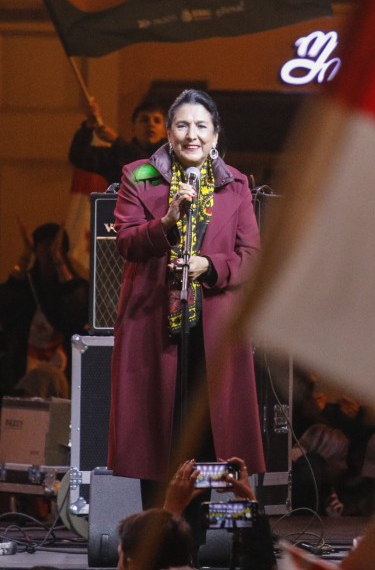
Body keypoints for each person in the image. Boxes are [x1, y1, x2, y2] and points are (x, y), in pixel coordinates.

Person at [108, 88, 264, 493]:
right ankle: (161, 541)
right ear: (169, 134)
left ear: (215, 135)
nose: (191, 134)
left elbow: (252, 256)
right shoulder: (140, 175)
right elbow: (126, 241)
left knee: (213, 441)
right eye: (182, 125)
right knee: (160, 442)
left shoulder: (236, 185)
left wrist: (210, 266)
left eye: (201, 126)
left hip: (214, 332)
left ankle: (206, 543)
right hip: (154, 327)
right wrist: (166, 223)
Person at [0, 221, 87, 395]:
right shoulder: (26, 285)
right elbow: (6, 303)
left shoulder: (75, 286)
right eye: (44, 245)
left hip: (66, 376)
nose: (48, 251)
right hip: (21, 372)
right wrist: (25, 256)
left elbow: (78, 310)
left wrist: (58, 262)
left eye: (54, 246)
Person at [69, 98, 167, 186]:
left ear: (165, 130)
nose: (150, 124)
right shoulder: (116, 155)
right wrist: (88, 127)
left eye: (157, 121)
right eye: (144, 120)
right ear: (133, 127)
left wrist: (117, 141)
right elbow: (79, 155)